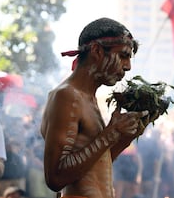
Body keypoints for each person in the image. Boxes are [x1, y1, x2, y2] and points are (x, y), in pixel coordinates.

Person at [40, 17, 159, 198]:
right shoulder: (66, 96)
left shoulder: (88, 98)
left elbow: (95, 164)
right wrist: (110, 133)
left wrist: (125, 136)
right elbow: (55, 178)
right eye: (123, 56)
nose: (128, 66)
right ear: (96, 50)